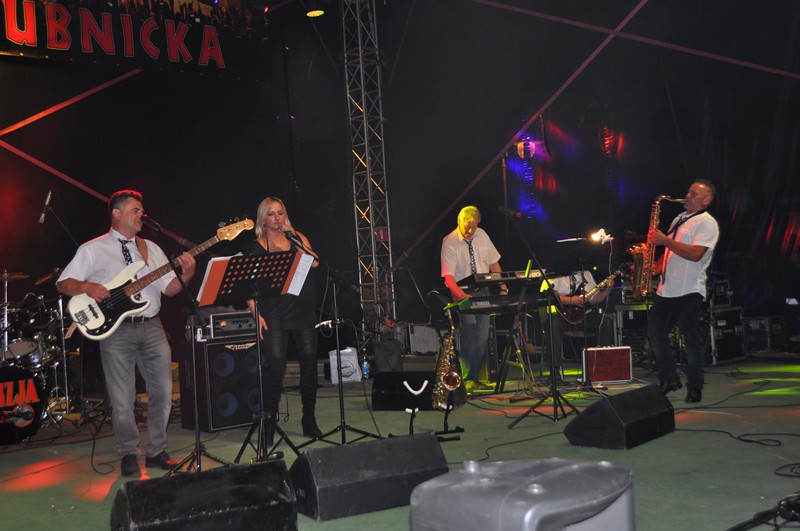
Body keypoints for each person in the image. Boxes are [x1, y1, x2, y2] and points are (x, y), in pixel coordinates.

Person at [56, 190, 196, 477]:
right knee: (123, 399)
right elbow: (63, 283)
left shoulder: (151, 249)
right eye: (135, 210)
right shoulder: (93, 249)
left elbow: (170, 289)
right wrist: (86, 287)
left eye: (141, 210)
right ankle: (128, 452)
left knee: (162, 394)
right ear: (117, 213)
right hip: (116, 331)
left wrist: (188, 273)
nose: (141, 215)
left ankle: (156, 451)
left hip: (152, 326)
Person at [244, 197, 321, 443]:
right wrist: (256, 314)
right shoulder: (256, 247)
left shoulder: (297, 237)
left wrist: (295, 238)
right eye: (271, 214)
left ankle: (309, 418)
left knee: (309, 362)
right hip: (274, 313)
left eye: (280, 213)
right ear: (262, 220)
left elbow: (315, 263)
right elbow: (247, 287)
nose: (277, 218)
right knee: (275, 366)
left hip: (303, 310)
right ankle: (268, 424)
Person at [647, 179, 719, 403]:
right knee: (655, 334)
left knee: (691, 341)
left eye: (694, 193)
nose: (687, 195)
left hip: (689, 290)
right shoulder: (679, 219)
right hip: (665, 290)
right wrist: (653, 268)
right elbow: (669, 252)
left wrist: (664, 241)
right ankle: (669, 378)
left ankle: (695, 386)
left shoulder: (707, 223)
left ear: (706, 200)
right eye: (688, 191)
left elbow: (696, 254)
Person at [441, 206, 507, 394]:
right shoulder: (450, 242)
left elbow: (494, 263)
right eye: (467, 226)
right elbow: (449, 278)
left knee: (482, 335)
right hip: (462, 291)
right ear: (459, 221)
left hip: (483, 290)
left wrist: (502, 286)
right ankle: (467, 378)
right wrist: (462, 296)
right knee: (469, 332)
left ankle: (473, 376)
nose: (470, 230)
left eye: (474, 226)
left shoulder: (482, 235)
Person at [546, 270, 615, 382]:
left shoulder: (586, 274)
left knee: (605, 322)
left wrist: (608, 290)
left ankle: (602, 366)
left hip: (584, 315)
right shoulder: (555, 275)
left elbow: (593, 300)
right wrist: (572, 300)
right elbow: (551, 296)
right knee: (553, 323)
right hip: (564, 316)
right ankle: (554, 371)